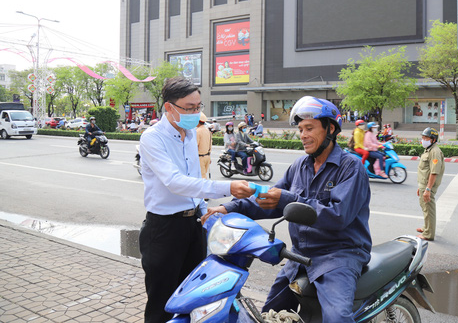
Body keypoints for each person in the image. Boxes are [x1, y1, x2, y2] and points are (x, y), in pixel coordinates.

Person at [203, 96, 371, 322]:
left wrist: (286, 198)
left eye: (309, 128)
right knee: (269, 313)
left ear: (330, 129)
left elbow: (337, 216)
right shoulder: (299, 166)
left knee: (337, 317)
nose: (303, 135)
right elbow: (270, 200)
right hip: (300, 255)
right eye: (301, 129)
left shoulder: (350, 168)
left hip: (339, 256)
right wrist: (228, 207)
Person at [138, 77, 253, 323]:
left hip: (193, 225)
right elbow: (176, 182)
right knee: (162, 302)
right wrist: (228, 186)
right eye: (189, 108)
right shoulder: (152, 137)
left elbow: (194, 178)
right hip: (164, 229)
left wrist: (204, 211)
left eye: (198, 106)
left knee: (194, 297)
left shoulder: (190, 133)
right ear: (169, 107)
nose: (195, 112)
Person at [416, 127, 445, 241]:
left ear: (433, 140)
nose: (423, 140)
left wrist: (427, 189)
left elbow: (434, 172)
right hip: (424, 184)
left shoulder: (435, 152)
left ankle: (429, 234)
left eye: (425, 138)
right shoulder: (429, 149)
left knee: (429, 208)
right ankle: (426, 227)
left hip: (428, 185)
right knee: (425, 207)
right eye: (422, 138)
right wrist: (421, 187)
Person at [196, 112, 212, 179]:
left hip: (200, 157)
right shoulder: (208, 131)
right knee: (204, 174)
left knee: (202, 176)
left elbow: (196, 145)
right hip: (207, 156)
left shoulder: (198, 131)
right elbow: (210, 144)